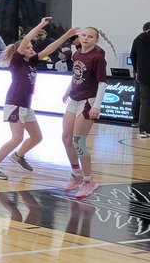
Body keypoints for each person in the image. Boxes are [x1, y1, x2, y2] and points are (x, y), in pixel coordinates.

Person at [0, 17, 76, 180]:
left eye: (32, 46)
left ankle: (18, 156)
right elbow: (26, 38)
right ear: (21, 50)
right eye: (28, 47)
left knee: (37, 137)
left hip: (26, 106)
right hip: (14, 103)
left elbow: (49, 49)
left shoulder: (31, 62)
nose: (31, 47)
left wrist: (66, 36)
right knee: (17, 137)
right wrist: (41, 24)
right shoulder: (17, 62)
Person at [61, 27, 108, 199]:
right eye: (84, 35)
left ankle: (89, 180)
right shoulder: (76, 54)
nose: (86, 38)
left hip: (88, 102)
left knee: (78, 141)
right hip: (74, 99)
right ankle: (76, 174)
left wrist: (96, 105)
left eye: (90, 36)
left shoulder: (97, 58)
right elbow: (75, 76)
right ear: (79, 38)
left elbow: (102, 83)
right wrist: (68, 90)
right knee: (66, 138)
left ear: (96, 40)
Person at [131, 21, 150, 138]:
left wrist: (136, 71)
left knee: (145, 102)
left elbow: (133, 56)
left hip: (143, 75)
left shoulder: (138, 39)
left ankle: (143, 129)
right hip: (144, 74)